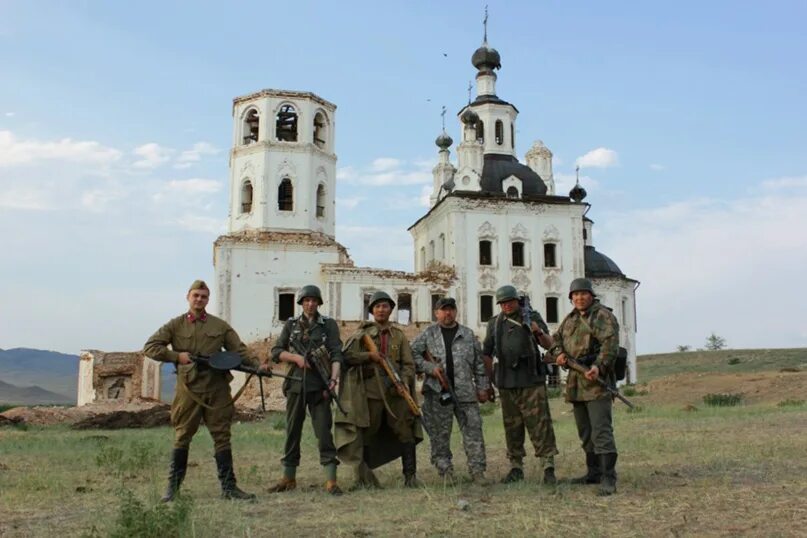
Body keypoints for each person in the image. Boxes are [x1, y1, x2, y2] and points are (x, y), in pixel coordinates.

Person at [143, 279, 261, 501]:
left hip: (216, 388)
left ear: (208, 300)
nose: (199, 299)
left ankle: (229, 489)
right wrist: (176, 356)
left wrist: (258, 365)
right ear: (188, 297)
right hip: (189, 389)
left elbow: (239, 351)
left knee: (222, 436)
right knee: (182, 436)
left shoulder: (220, 326)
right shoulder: (175, 325)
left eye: (204, 296)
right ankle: (172, 490)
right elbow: (150, 347)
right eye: (196, 295)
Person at [334, 291, 423, 488]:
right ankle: (364, 478)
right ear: (372, 311)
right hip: (371, 392)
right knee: (366, 433)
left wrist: (404, 382)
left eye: (385, 306)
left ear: (391, 309)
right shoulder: (360, 334)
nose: (381, 310)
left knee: (405, 431)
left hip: (396, 393)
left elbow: (408, 364)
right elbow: (347, 357)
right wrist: (369, 356)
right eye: (377, 306)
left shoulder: (399, 336)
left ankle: (410, 477)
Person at [268, 285, 344, 495]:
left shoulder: (327, 325)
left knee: (323, 433)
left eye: (314, 300)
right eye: (306, 301)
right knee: (292, 431)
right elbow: (276, 351)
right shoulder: (291, 325)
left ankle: (331, 480)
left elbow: (337, 353)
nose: (310, 304)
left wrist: (333, 380)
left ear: (319, 303)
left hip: (319, 387)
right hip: (295, 385)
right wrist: (296, 358)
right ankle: (288, 477)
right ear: (301, 303)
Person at [482, 285, 559, 485]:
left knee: (540, 424)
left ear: (517, 300)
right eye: (503, 303)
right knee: (512, 427)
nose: (506, 306)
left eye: (510, 301)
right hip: (507, 381)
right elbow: (487, 353)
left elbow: (549, 344)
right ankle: (516, 467)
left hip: (531, 380)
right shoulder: (495, 323)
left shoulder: (532, 316)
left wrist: (537, 331)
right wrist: (490, 381)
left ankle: (548, 466)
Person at [411, 297, 491, 485]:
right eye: (443, 310)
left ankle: (478, 471)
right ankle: (445, 472)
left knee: (474, 433)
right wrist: (430, 368)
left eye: (451, 309)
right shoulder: (428, 334)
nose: (448, 313)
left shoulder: (468, 335)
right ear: (436, 313)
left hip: (465, 394)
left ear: (456, 311)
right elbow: (411, 354)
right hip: (438, 394)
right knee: (439, 435)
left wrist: (483, 388)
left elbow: (479, 365)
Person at [552, 277, 620, 496]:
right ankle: (593, 473)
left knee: (601, 431)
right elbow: (555, 341)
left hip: (596, 383)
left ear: (591, 295)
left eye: (583, 294)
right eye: (575, 295)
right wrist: (559, 355)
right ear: (571, 298)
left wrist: (599, 367)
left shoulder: (603, 316)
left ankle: (608, 477)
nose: (579, 298)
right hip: (575, 384)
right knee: (585, 432)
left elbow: (610, 346)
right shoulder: (569, 319)